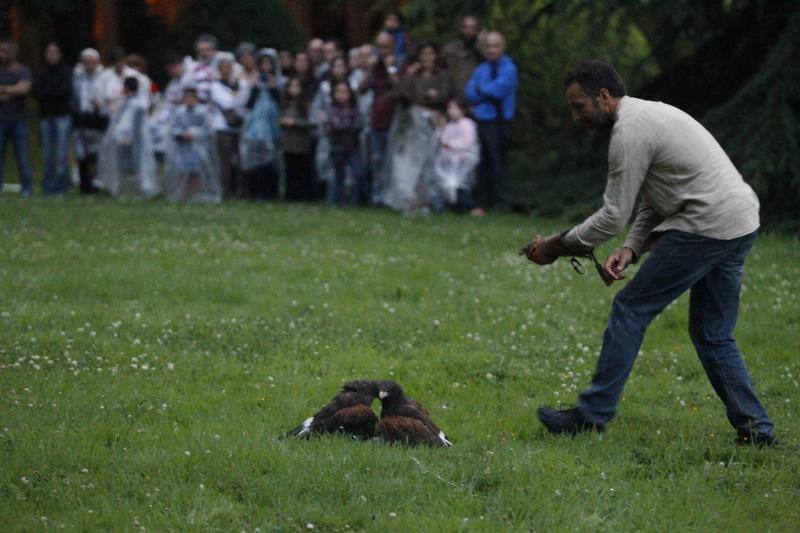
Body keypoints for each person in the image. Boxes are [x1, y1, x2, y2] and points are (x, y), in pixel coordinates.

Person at [522, 60, 776, 447]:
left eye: (578, 106)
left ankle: (591, 416)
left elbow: (611, 216)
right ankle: (757, 431)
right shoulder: (650, 114)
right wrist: (631, 246)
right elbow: (658, 194)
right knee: (713, 333)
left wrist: (557, 246)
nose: (576, 117)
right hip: (740, 221)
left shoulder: (630, 131)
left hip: (705, 226)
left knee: (630, 308)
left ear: (603, 97)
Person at [383, 41, 451, 213]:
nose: (427, 57)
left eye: (430, 53)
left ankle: (431, 201)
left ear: (435, 56)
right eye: (423, 54)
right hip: (413, 127)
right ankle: (410, 200)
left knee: (432, 163)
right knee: (410, 164)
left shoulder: (442, 75)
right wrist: (424, 94)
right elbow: (400, 93)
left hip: (434, 126)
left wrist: (428, 100)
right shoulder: (414, 75)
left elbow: (443, 96)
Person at [464, 31, 518, 214]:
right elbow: (469, 93)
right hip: (483, 121)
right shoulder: (481, 69)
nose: (492, 50)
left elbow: (499, 90)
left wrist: (482, 90)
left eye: (495, 46)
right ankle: (483, 201)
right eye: (488, 46)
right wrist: (484, 91)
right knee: (483, 162)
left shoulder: (509, 68)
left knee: (498, 162)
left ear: (502, 47)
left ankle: (502, 202)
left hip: (500, 122)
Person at [96, 76, 158, 198]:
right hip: (132, 138)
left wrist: (126, 136)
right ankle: (132, 189)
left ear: (127, 87)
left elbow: (129, 123)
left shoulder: (136, 104)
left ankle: (138, 190)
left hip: (133, 139)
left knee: (135, 164)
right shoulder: (131, 101)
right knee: (131, 164)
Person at [358, 31, 400, 204]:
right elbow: (360, 89)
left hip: (394, 121)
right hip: (376, 121)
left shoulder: (399, 63)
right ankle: (378, 196)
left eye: (385, 47)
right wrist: (369, 69)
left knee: (392, 161)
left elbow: (400, 90)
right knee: (377, 160)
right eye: (379, 47)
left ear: (392, 47)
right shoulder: (374, 68)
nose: (382, 51)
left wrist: (391, 69)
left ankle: (392, 195)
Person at [164, 86, 220, 203]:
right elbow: (173, 127)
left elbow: (208, 129)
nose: (188, 100)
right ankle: (183, 194)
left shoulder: (203, 111)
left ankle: (195, 193)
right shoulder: (180, 111)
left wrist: (194, 133)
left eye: (191, 97)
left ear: (196, 98)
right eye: (186, 97)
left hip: (198, 147)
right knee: (182, 170)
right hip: (183, 147)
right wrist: (181, 134)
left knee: (196, 171)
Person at [33, 42, 73, 196]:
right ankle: (48, 188)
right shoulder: (41, 73)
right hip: (45, 117)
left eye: (55, 52)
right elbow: (37, 93)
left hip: (62, 117)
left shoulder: (66, 72)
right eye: (49, 52)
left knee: (62, 154)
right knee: (47, 154)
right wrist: (52, 94)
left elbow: (65, 92)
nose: (52, 55)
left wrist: (48, 94)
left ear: (60, 54)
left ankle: (61, 187)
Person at [240, 58, 281, 200]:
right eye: (263, 64)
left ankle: (271, 192)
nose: (266, 67)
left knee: (272, 161)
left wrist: (273, 87)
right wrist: (255, 87)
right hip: (256, 128)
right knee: (255, 161)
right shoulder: (253, 83)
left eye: (268, 64)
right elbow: (247, 105)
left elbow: (280, 102)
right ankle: (255, 192)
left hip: (272, 126)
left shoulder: (277, 82)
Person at [210, 55, 249, 198]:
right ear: (219, 70)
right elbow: (228, 103)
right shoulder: (215, 85)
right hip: (222, 127)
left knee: (240, 159)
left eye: (229, 68)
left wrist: (236, 96)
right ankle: (226, 192)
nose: (227, 70)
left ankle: (241, 191)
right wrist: (236, 97)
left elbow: (243, 100)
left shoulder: (238, 84)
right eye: (224, 68)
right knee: (225, 160)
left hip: (238, 127)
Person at [0, 39, 33, 196]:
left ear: (14, 52)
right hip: (1, 121)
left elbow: (24, 88)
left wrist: (4, 89)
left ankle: (26, 189)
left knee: (23, 157)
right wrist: (13, 90)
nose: (2, 54)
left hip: (19, 121)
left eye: (5, 50)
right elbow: (17, 89)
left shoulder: (23, 70)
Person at [71, 47, 105, 194]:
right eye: (85, 61)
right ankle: (84, 185)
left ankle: (98, 184)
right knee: (81, 153)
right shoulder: (78, 77)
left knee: (97, 152)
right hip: (81, 118)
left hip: (98, 118)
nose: (87, 63)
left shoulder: (103, 76)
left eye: (90, 61)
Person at [326, 81, 366, 206]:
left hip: (353, 146)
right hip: (337, 146)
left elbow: (358, 126)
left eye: (345, 92)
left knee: (358, 173)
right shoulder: (330, 109)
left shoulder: (355, 109)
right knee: (338, 176)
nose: (342, 95)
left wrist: (341, 127)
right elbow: (330, 127)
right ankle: (336, 201)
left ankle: (355, 201)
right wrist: (344, 128)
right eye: (339, 91)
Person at [434, 99, 479, 211]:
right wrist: (441, 129)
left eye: (453, 108)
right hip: (450, 161)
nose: (450, 111)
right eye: (449, 108)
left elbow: (467, 143)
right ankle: (457, 209)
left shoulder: (467, 124)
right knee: (450, 186)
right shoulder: (449, 126)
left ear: (461, 110)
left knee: (455, 186)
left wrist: (450, 145)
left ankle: (473, 208)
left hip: (463, 160)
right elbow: (441, 140)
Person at [280, 77, 315, 201]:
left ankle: (304, 195)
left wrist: (294, 122)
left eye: (297, 86)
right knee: (290, 171)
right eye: (292, 86)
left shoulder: (306, 104)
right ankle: (290, 195)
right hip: (288, 144)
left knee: (302, 171)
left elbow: (311, 123)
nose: (294, 89)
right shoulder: (284, 104)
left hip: (302, 144)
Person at [441, 15, 484, 98]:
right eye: (465, 27)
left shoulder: (482, 53)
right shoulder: (449, 49)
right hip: (452, 102)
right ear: (461, 29)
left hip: (476, 101)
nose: (468, 31)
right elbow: (436, 68)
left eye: (472, 28)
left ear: (478, 31)